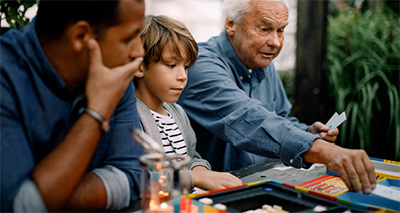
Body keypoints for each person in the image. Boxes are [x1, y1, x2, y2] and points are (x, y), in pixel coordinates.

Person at [177, 0, 376, 194]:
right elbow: (248, 120)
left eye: (280, 30)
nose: (276, 42)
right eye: (264, 29)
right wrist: (324, 151)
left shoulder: (261, 61)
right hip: (217, 195)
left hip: (263, 184)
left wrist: (307, 132)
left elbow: (279, 119)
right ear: (230, 24)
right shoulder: (200, 64)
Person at [1, 0, 145, 211]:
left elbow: (134, 176)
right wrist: (97, 113)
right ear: (81, 36)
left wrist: (50, 196)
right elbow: (20, 207)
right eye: (129, 38)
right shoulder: (6, 76)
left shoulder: (114, 70)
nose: (139, 51)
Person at [134, 15, 242, 191]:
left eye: (185, 66)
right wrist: (192, 177)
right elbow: (138, 174)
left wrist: (201, 171)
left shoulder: (177, 113)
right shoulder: (130, 117)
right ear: (139, 66)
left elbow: (191, 157)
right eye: (171, 65)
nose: (183, 76)